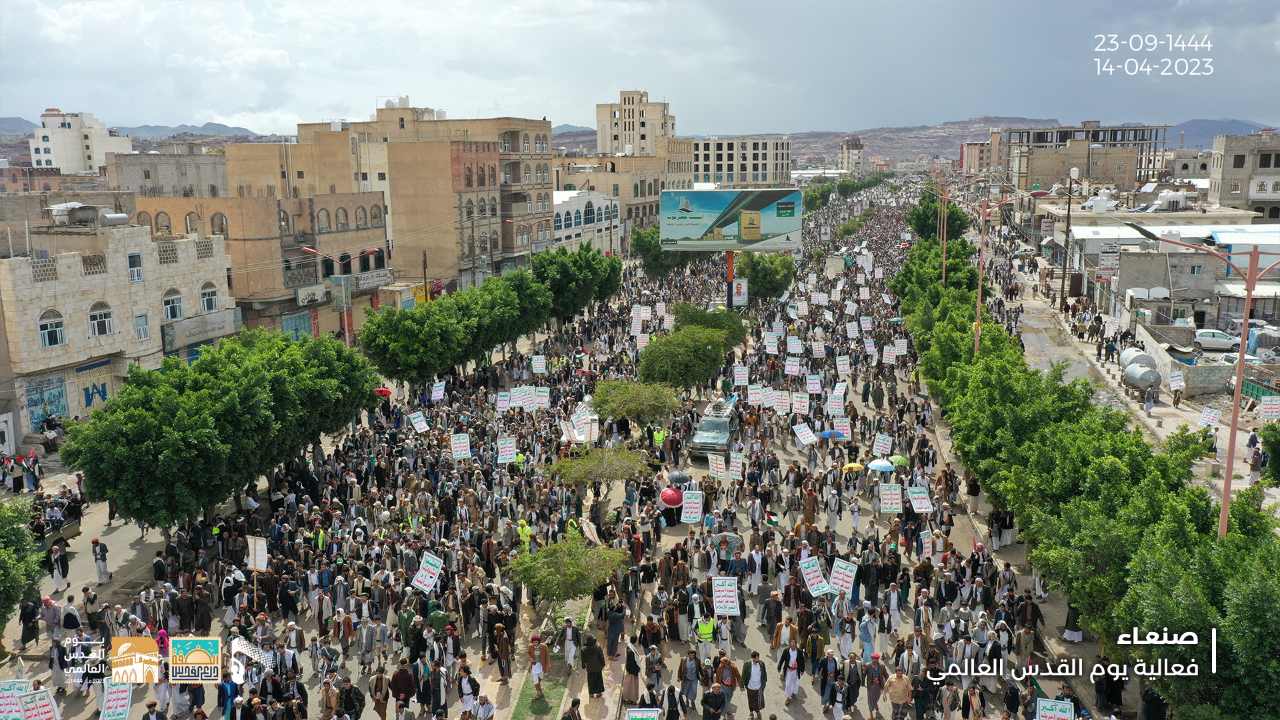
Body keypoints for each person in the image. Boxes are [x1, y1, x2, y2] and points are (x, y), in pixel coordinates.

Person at [776, 637, 805, 705]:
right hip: (789, 670)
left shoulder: (799, 652)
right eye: (791, 645)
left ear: (796, 645)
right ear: (789, 645)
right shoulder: (786, 651)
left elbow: (802, 661)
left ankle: (793, 693)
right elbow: (782, 659)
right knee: (788, 684)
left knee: (795, 683)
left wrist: (802, 670)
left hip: (796, 670)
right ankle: (788, 697)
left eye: (794, 645)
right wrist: (779, 666)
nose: (792, 646)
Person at [743, 650, 768, 720]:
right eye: (756, 658)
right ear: (753, 658)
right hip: (750, 687)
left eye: (758, 658)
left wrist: (764, 683)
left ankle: (758, 712)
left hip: (759, 687)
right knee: (750, 701)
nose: (758, 659)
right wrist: (743, 685)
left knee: (758, 701)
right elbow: (744, 675)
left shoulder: (761, 664)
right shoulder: (747, 664)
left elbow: (764, 673)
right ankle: (751, 713)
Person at [528, 634, 551, 699]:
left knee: (540, 678)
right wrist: (530, 658)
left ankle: (539, 690)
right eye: (533, 642)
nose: (535, 643)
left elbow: (547, 656)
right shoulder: (530, 646)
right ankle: (538, 693)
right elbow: (529, 653)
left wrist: (548, 664)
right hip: (534, 666)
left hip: (542, 665)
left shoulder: (544, 646)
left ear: (538, 641)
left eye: (536, 642)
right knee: (535, 680)